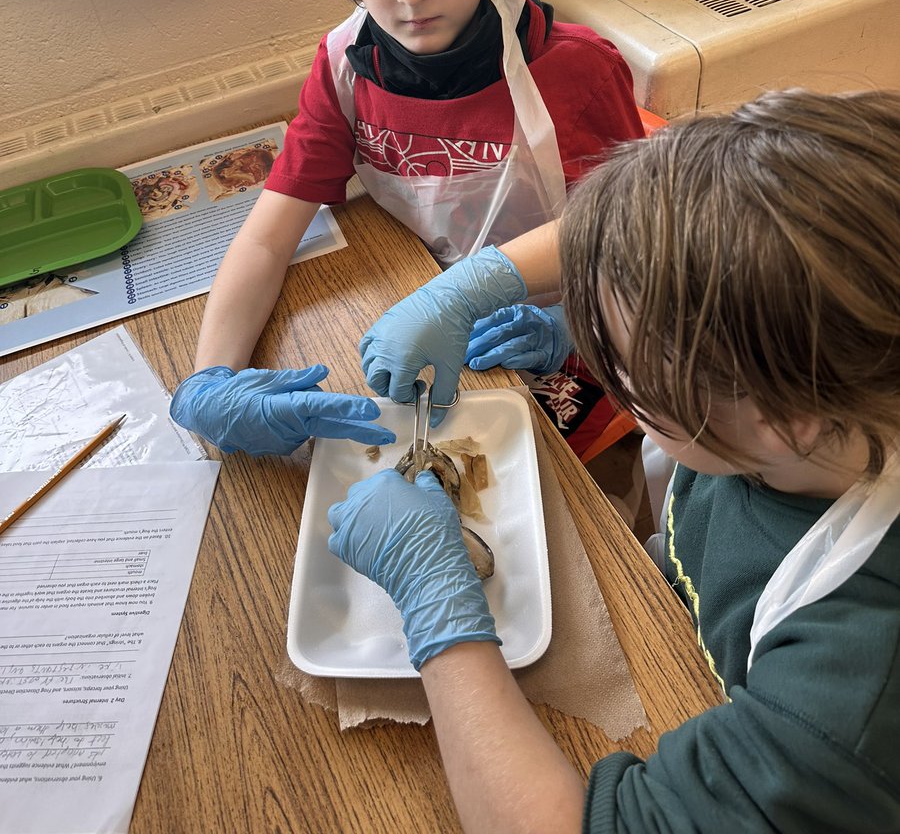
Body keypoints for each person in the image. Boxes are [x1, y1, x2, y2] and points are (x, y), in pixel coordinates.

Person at [328, 89, 900, 832]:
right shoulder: (826, 370)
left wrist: (435, 603)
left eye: (622, 364)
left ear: (778, 417)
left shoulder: (847, 699)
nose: (599, 362)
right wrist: (488, 299)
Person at [170, 0, 644, 456]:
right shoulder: (345, 69)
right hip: (431, 332)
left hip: (567, 338)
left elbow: (632, 238)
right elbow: (269, 239)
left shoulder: (575, 71)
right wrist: (209, 379)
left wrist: (565, 328)